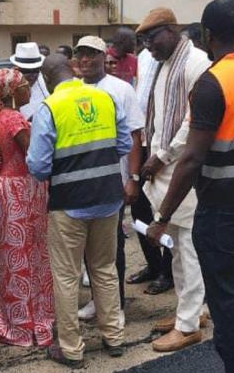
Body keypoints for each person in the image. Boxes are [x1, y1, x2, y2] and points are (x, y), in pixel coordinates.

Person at [156, 0, 234, 373]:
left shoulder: (211, 84)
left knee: (225, 301)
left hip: (223, 208)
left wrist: (162, 215)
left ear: (208, 35)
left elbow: (192, 158)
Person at [27, 54, 130, 369]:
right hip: (109, 199)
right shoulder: (105, 97)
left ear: (45, 77)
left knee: (67, 276)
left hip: (69, 204)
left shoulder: (50, 108)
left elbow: (38, 166)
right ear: (72, 69)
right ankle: (114, 337)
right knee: (105, 268)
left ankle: (71, 349)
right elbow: (124, 144)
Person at [133, 8, 212, 351]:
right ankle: (191, 311)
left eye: (152, 38)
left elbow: (193, 123)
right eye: (144, 40)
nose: (148, 46)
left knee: (189, 249)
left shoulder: (195, 63)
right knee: (179, 249)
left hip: (185, 172)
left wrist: (162, 156)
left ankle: (189, 325)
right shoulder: (165, 63)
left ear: (171, 31)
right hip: (166, 169)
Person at [73, 35, 144, 320]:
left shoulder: (121, 89)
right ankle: (96, 300)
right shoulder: (72, 90)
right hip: (82, 180)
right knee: (88, 245)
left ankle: (117, 305)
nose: (86, 60)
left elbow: (135, 135)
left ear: (105, 58)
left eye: (92, 54)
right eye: (82, 55)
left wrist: (133, 177)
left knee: (113, 245)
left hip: (114, 178)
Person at [0, 68, 54, 347]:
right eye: (25, 85)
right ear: (13, 92)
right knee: (28, 256)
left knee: (8, 258)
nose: (29, 90)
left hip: (3, 189)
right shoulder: (14, 119)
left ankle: (12, 321)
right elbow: (35, 155)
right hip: (21, 191)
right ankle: (31, 323)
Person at [127, 47, 173, 290]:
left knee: (166, 213)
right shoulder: (146, 57)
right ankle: (154, 265)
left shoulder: (179, 62)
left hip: (164, 149)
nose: (149, 43)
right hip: (142, 143)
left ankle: (168, 272)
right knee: (140, 211)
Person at [11, 43, 49, 121]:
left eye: (36, 70)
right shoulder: (8, 86)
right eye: (26, 71)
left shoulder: (44, 79)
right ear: (17, 69)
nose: (32, 75)